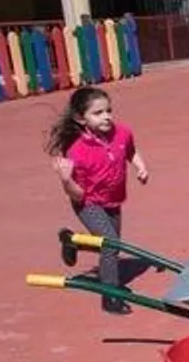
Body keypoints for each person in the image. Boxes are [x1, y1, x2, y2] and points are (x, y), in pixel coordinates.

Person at [46, 86, 149, 315]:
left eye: (108, 110)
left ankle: (73, 242)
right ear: (80, 118)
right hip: (88, 203)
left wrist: (140, 166)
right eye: (98, 113)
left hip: (113, 200)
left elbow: (130, 151)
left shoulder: (122, 132)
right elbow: (77, 195)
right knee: (111, 244)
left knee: (110, 244)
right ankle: (110, 295)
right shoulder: (77, 151)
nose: (106, 117)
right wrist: (66, 179)